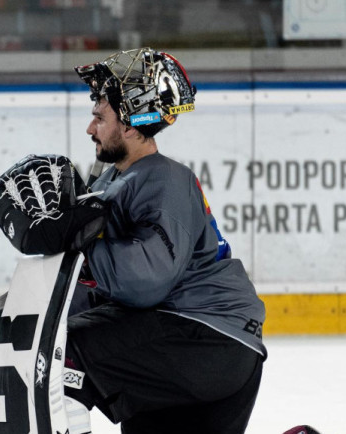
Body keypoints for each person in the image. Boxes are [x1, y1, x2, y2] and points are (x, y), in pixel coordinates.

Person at [63, 48, 268, 433]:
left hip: (206, 338)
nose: (91, 129)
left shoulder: (163, 178)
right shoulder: (118, 181)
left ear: (128, 124)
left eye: (99, 117)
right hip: (207, 340)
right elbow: (108, 285)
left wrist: (81, 247)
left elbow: (145, 280)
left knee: (62, 357)